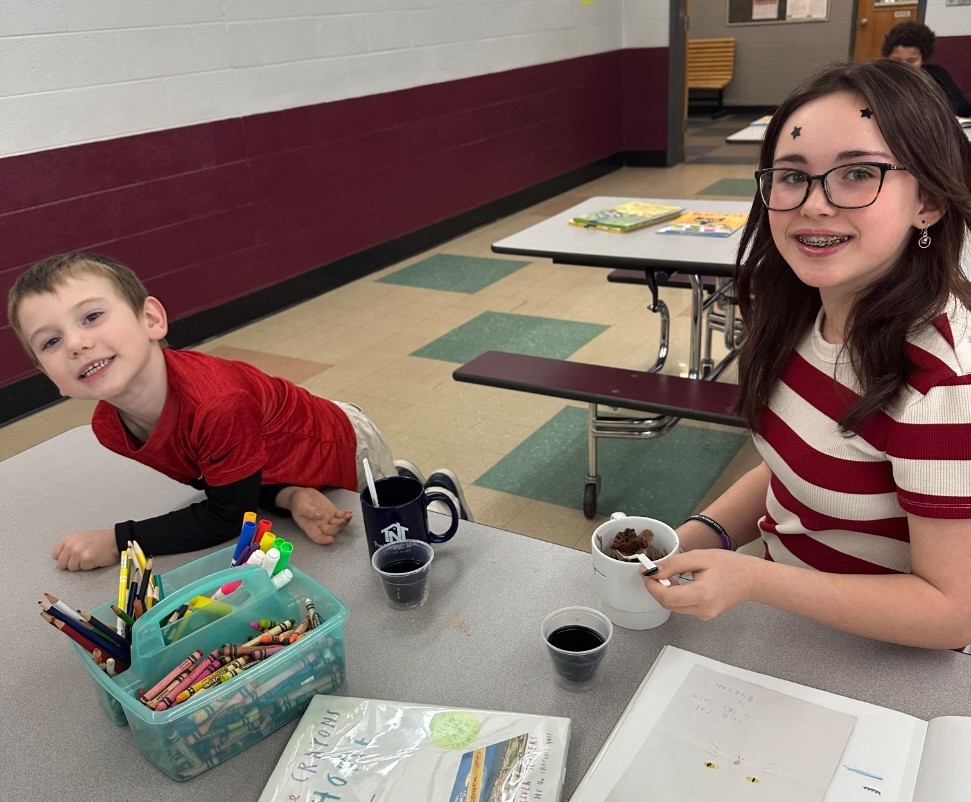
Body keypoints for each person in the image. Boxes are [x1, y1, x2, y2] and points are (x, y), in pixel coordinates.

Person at [644, 59, 971, 650]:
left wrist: (752, 580)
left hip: (878, 662)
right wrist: (704, 533)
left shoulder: (944, 384)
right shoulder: (803, 312)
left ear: (928, 201)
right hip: (788, 629)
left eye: (858, 173)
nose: (814, 204)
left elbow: (952, 613)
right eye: (793, 176)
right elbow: (800, 465)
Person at [8, 252, 473, 570]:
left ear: (150, 319)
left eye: (91, 317)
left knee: (396, 539)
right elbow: (218, 485)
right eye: (50, 341)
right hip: (272, 465)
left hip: (342, 444)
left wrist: (117, 540)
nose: (76, 343)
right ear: (49, 375)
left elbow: (228, 516)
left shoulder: (217, 404)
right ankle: (402, 481)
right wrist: (288, 496)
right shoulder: (110, 428)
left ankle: (421, 490)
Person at [882, 21, 971, 117]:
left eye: (911, 61)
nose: (903, 66)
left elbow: (962, 107)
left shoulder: (936, 74)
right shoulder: (879, 77)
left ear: (923, 59)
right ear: (888, 56)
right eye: (896, 60)